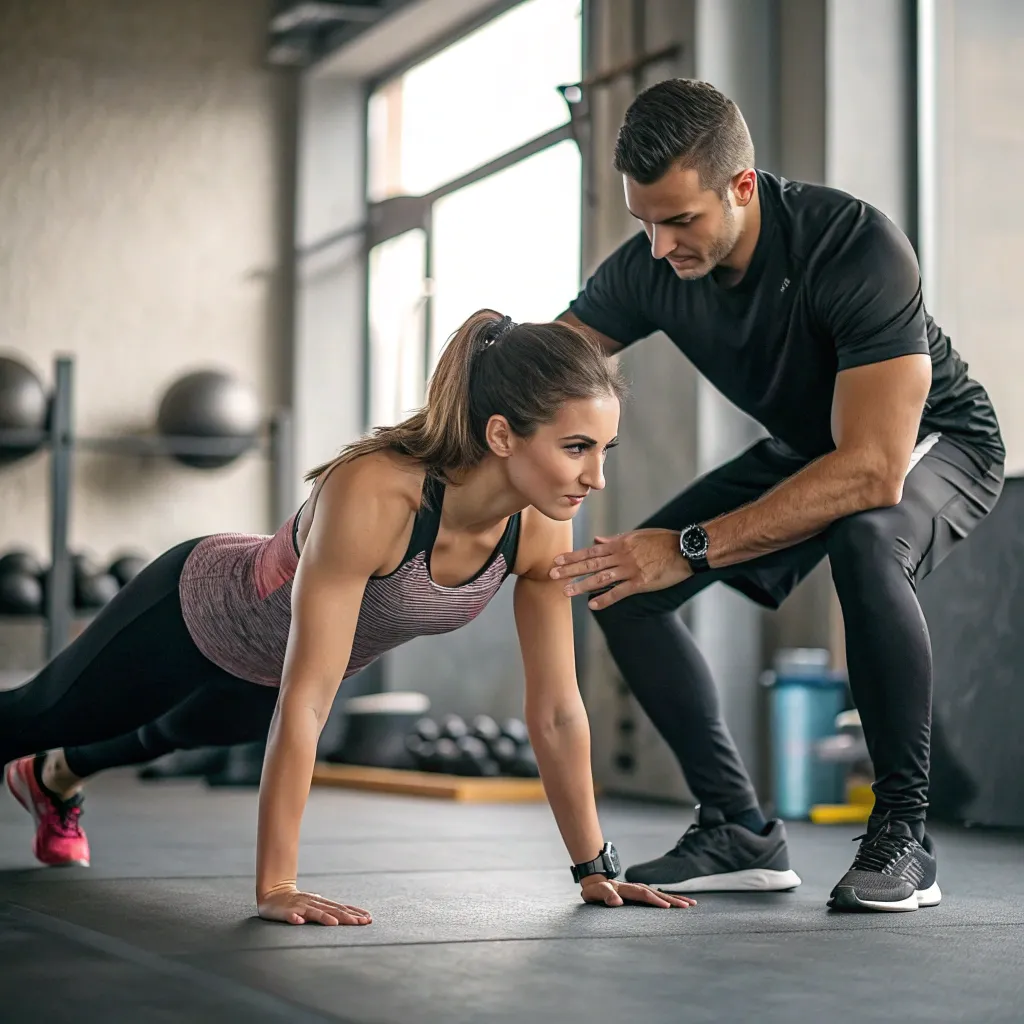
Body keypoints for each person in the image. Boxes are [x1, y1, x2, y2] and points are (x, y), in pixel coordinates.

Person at [1, 309, 695, 924]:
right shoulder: (377, 492)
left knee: (173, 734)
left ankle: (50, 776)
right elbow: (308, 700)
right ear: (502, 435)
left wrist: (595, 868)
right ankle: (43, 755)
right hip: (197, 614)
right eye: (577, 448)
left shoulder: (540, 526)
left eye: (605, 450)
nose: (596, 477)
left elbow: (557, 710)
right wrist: (278, 886)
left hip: (261, 678)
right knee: (38, 714)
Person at [552, 79, 1004, 912]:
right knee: (620, 583)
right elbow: (544, 373)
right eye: (644, 221)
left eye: (681, 221)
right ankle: (738, 828)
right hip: (810, 449)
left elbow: (874, 467)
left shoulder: (850, 243)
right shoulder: (651, 265)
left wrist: (689, 545)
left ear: (743, 187)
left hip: (933, 443)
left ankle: (906, 833)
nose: (659, 247)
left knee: (866, 538)